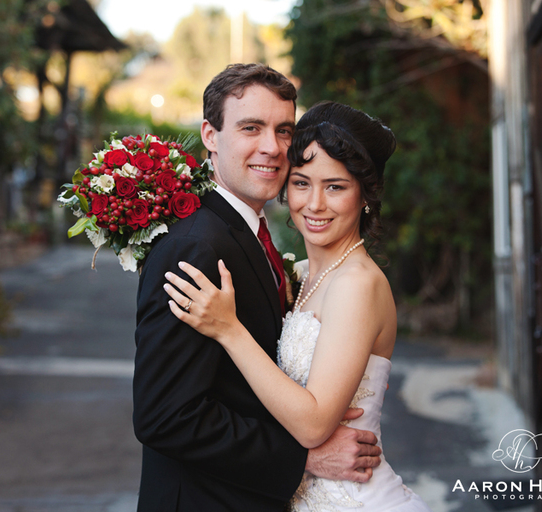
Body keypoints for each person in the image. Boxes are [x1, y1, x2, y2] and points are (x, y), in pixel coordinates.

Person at [133, 66, 382, 512]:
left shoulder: (258, 240)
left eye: (284, 130)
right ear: (210, 134)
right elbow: (166, 417)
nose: (272, 147)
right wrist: (303, 458)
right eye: (251, 128)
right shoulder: (196, 246)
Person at [163, 101, 432, 511]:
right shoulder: (299, 275)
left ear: (365, 195)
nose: (315, 204)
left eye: (336, 186)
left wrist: (228, 330)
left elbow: (312, 425)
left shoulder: (356, 284)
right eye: (302, 183)